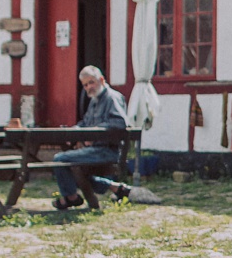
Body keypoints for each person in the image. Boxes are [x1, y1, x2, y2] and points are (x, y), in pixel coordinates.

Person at [51, 65, 159, 208]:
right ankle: (115, 188)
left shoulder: (112, 97)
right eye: (85, 85)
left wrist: (93, 135)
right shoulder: (94, 100)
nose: (89, 87)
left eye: (91, 82)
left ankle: (71, 197)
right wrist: (73, 131)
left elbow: (119, 123)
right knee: (72, 165)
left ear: (101, 80)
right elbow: (85, 123)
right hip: (95, 150)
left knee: (60, 159)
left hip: (108, 151)